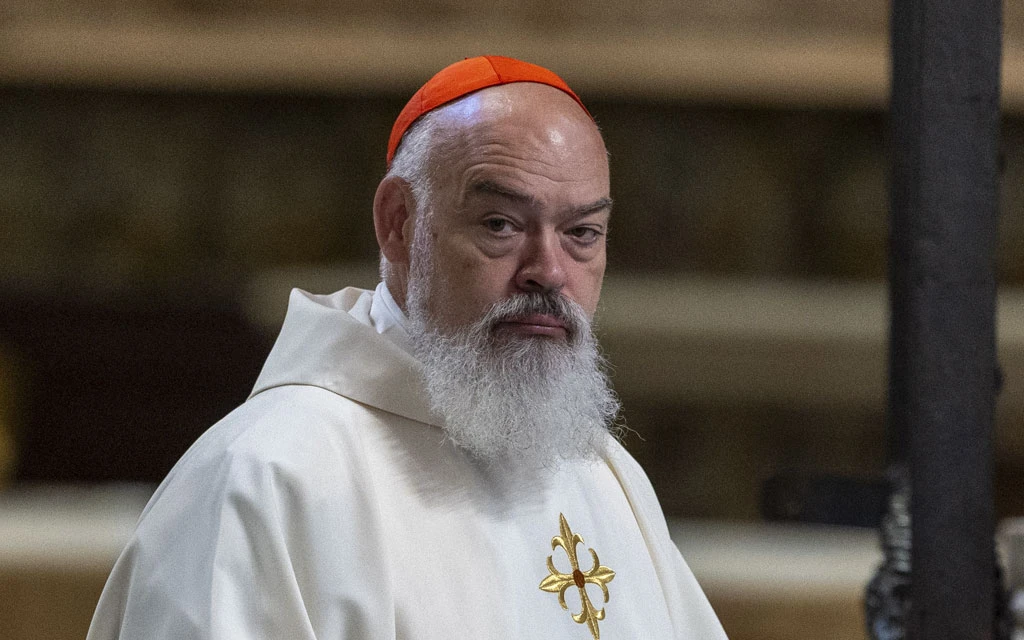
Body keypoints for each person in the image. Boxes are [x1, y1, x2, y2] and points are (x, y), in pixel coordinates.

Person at [87, 55, 727, 640]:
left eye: (582, 233)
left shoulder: (602, 477)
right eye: (500, 225)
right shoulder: (266, 479)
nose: (549, 271)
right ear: (399, 223)